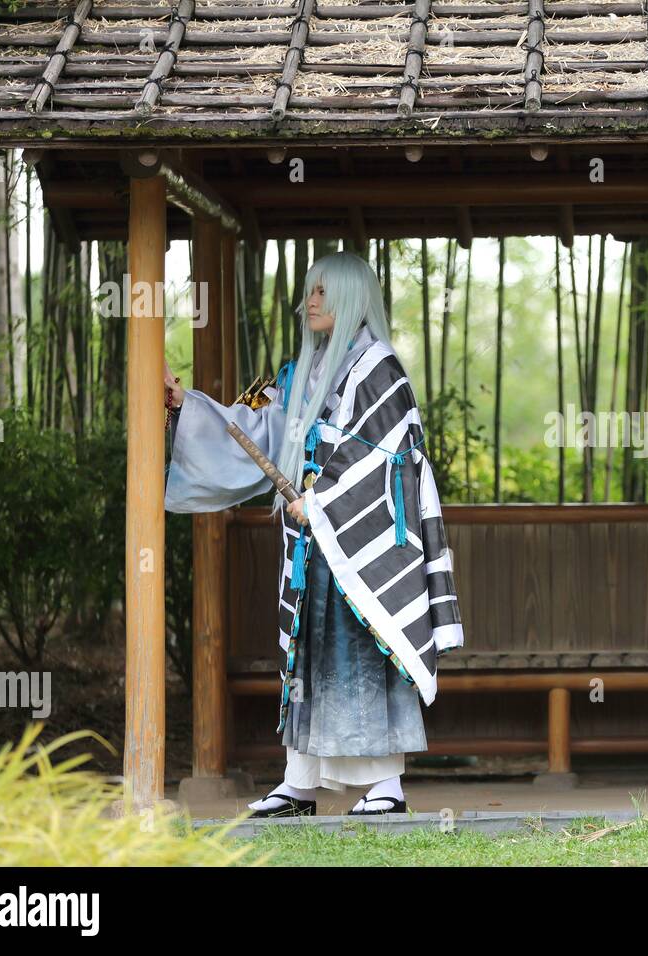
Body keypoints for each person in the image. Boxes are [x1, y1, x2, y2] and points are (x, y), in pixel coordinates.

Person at [163, 251, 463, 817]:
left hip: (364, 546)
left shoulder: (379, 367)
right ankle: (299, 782)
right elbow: (255, 427)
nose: (310, 303)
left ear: (352, 297)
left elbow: (384, 457)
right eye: (309, 291)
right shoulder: (304, 372)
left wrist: (318, 499)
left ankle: (385, 786)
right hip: (312, 546)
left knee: (365, 651)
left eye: (323, 291)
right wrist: (184, 405)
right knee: (307, 658)